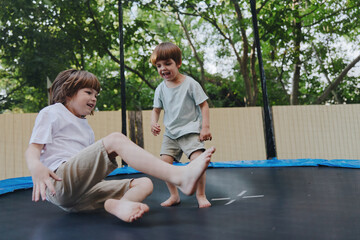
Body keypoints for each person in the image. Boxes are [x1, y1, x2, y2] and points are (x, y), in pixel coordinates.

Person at [25, 69, 215, 223]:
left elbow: (87, 166)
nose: (94, 98)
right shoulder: (52, 112)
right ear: (68, 92)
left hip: (79, 196)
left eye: (96, 95)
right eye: (88, 92)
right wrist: (36, 167)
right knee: (116, 139)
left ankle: (119, 205)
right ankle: (179, 176)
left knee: (144, 183)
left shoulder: (85, 128)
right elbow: (33, 149)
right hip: (58, 181)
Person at [150, 42, 213, 208]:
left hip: (191, 131)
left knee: (198, 161)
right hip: (171, 133)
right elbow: (156, 110)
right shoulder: (160, 89)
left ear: (178, 63)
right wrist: (153, 122)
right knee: (164, 164)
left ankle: (201, 195)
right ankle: (174, 196)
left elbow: (204, 105)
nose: (163, 68)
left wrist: (205, 127)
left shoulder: (190, 83)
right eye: (159, 65)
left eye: (167, 63)